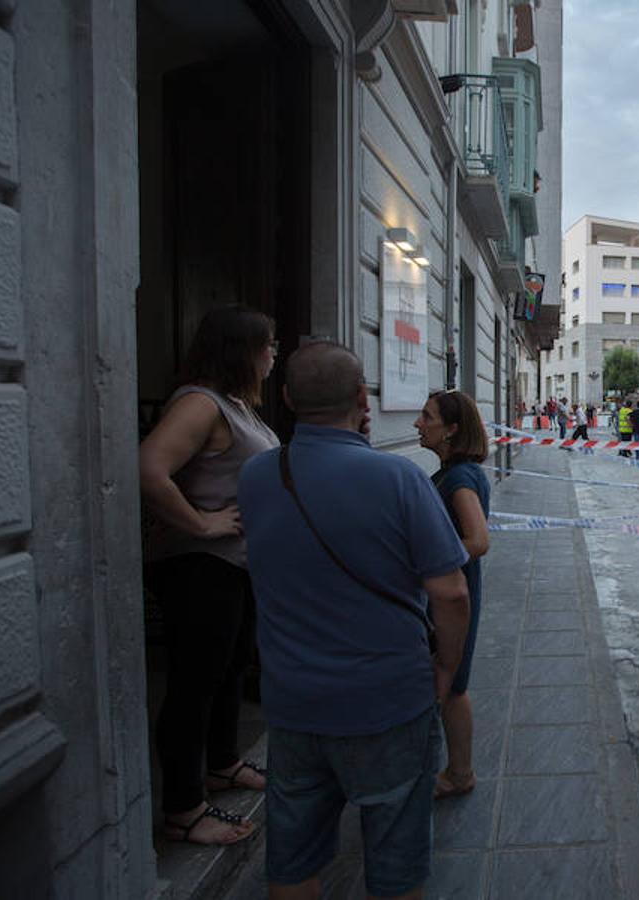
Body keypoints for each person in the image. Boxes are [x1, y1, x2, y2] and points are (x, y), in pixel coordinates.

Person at [239, 342, 470, 900]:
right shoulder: (399, 479)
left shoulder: (255, 476)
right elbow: (451, 592)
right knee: (396, 866)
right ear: (363, 399)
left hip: (293, 706)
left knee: (292, 863)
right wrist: (445, 670)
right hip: (388, 700)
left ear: (288, 398)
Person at [139, 306, 280, 846]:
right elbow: (149, 467)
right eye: (268, 345)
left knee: (228, 670)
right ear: (241, 349)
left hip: (236, 566)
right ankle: (182, 808)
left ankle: (221, 764)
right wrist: (202, 524)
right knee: (194, 685)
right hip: (200, 568)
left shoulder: (239, 405)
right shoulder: (201, 402)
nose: (274, 355)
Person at [415, 390, 491, 801]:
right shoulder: (456, 471)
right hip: (452, 589)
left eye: (427, 417)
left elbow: (478, 540)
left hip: (452, 592)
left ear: (452, 429)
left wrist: (428, 563)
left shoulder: (460, 477)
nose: (418, 423)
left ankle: (460, 773)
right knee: (451, 683)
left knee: (452, 684)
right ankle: (458, 771)